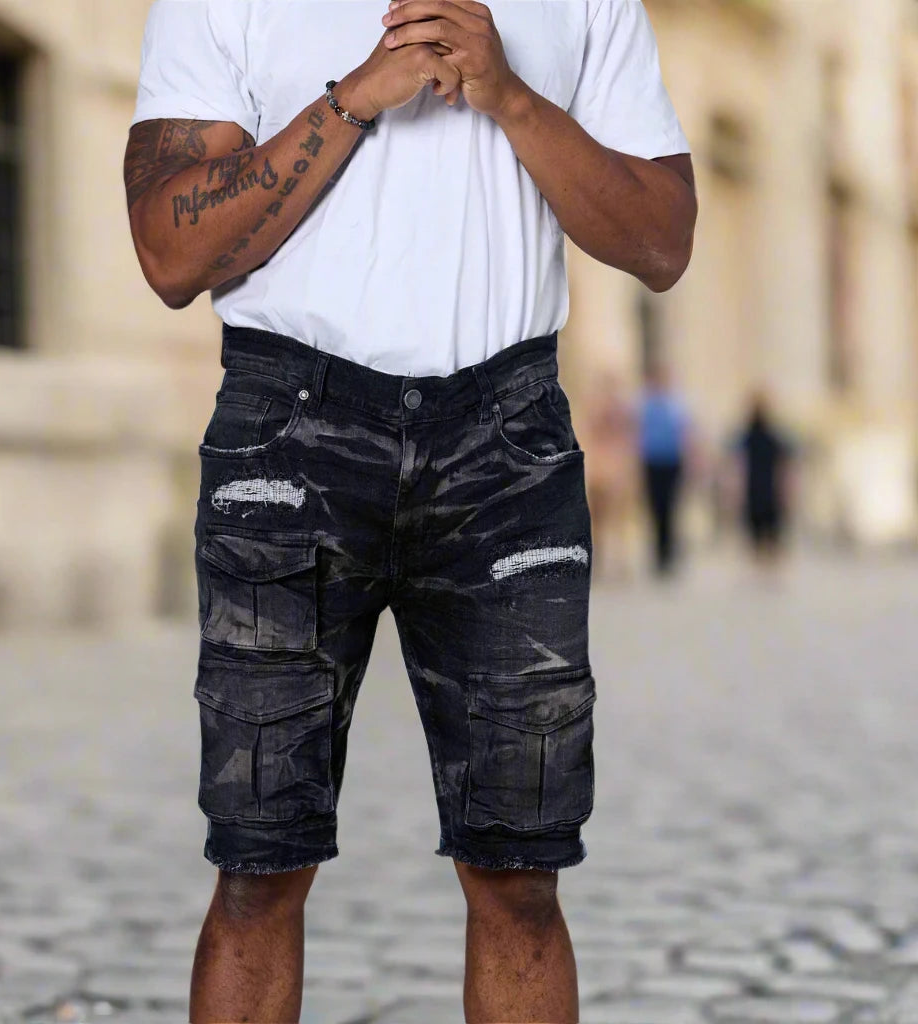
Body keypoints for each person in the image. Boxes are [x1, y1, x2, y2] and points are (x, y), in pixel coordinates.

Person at [124, 2, 696, 1021]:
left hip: (506, 442)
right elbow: (171, 255)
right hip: (287, 433)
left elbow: (661, 241)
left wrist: (511, 96)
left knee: (519, 873)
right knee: (259, 863)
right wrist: (356, 99)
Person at [583, 371, 639, 581]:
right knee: (600, 519)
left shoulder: (621, 411)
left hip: (613, 467)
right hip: (604, 467)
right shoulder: (600, 409)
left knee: (617, 518)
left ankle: (618, 561)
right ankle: (605, 560)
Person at [638, 365, 692, 576]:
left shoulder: (676, 404)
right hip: (651, 462)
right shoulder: (644, 404)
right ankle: (658, 553)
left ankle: (669, 553)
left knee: (671, 507)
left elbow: (685, 434)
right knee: (655, 507)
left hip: (672, 462)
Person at [735, 393, 794, 566]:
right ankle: (764, 565)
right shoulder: (756, 436)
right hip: (761, 489)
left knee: (766, 531)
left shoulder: (767, 437)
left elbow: (785, 464)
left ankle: (766, 564)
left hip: (763, 488)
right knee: (763, 531)